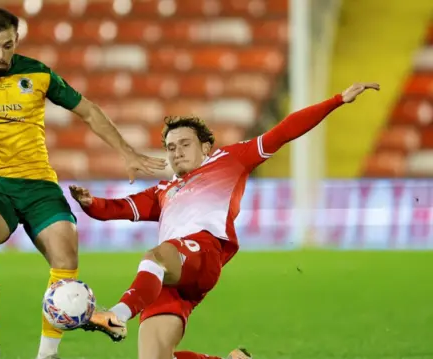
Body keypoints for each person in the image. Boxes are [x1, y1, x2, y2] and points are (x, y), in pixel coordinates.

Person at [70, 83, 380, 359]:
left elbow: (285, 131)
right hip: (169, 279)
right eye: (171, 147)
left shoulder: (231, 159)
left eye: (185, 144)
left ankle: (117, 315)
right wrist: (88, 203)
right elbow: (115, 209)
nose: (176, 152)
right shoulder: (163, 190)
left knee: (156, 255)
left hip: (203, 253)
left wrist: (338, 100)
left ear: (205, 147)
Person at [0, 7, 166, 359]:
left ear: (16, 40)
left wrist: (127, 152)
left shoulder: (37, 73)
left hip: (39, 183)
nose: (0, 55)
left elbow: (87, 110)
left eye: (7, 45)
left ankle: (47, 354)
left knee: (66, 248)